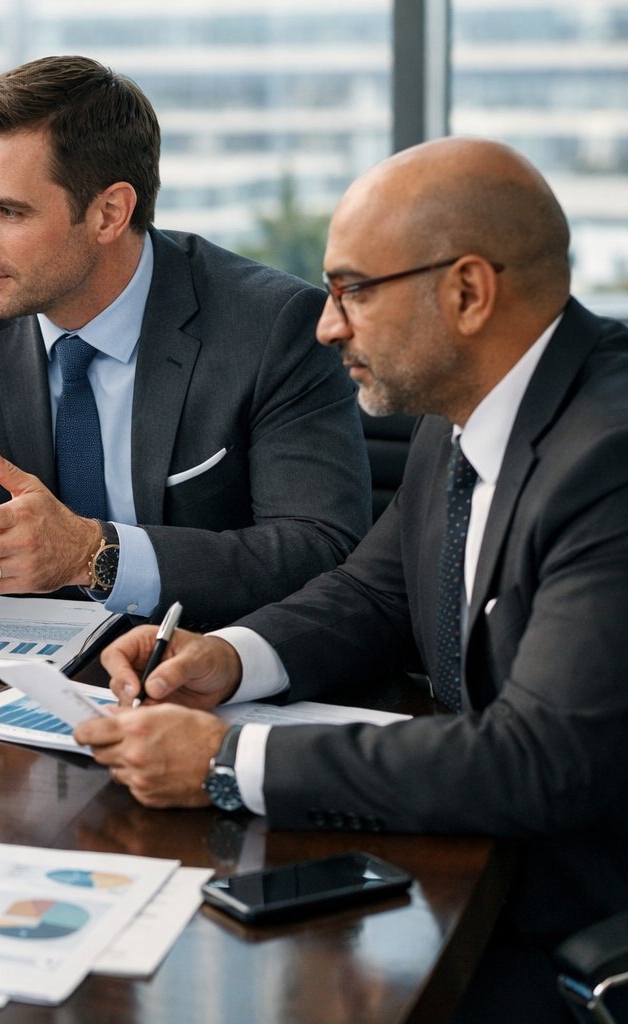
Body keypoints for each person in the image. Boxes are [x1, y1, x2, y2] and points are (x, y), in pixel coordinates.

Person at [76, 137, 628, 1021]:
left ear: (468, 292)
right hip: (471, 863)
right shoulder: (464, 406)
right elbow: (377, 592)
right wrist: (227, 656)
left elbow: (539, 758)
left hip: (570, 920)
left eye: (354, 290)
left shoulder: (609, 454)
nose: (329, 325)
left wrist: (227, 760)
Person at [0, 55, 370, 628]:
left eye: (7, 211)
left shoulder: (270, 326)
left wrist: (95, 555)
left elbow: (321, 551)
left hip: (199, 665)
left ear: (110, 212)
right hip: (13, 670)